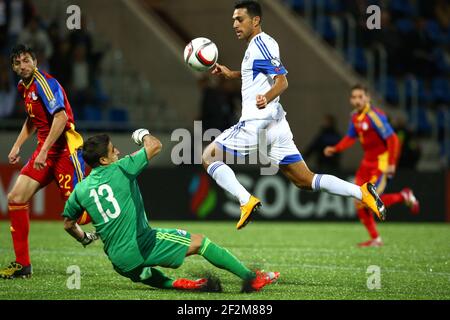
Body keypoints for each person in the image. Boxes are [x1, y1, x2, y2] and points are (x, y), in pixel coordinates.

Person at [202, 0, 386, 230]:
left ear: (255, 20)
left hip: (257, 123)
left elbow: (282, 82)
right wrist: (232, 74)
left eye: (239, 19)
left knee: (209, 157)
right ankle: (362, 192)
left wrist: (266, 97)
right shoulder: (257, 46)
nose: (234, 24)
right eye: (233, 20)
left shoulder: (262, 44)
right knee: (305, 180)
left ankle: (245, 200)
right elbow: (257, 73)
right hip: (275, 125)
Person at [62, 131, 279, 292]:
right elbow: (155, 145)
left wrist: (84, 238)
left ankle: (180, 284)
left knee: (143, 273)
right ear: (103, 160)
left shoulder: (80, 189)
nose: (118, 151)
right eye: (113, 150)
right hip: (141, 244)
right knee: (201, 243)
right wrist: (142, 134)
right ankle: (252, 278)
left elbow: (68, 223)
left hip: (118, 260)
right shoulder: (121, 168)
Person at [0, 44, 89, 279]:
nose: (23, 66)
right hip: (45, 151)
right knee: (15, 198)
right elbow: (32, 119)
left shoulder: (45, 83)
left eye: (27, 60)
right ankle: (23, 264)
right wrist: (18, 145)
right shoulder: (23, 87)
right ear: (13, 67)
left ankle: (113, 214)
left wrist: (43, 151)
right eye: (17, 63)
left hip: (65, 152)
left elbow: (60, 118)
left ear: (35, 62)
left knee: (79, 216)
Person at [324, 84, 420, 247]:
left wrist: (391, 163)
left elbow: (393, 139)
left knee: (371, 199)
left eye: (360, 97)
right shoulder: (355, 116)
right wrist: (336, 148)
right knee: (358, 199)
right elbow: (350, 137)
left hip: (380, 163)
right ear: (350, 99)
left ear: (367, 98)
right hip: (366, 163)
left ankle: (404, 196)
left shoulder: (374, 116)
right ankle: (376, 239)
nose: (357, 100)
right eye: (354, 97)